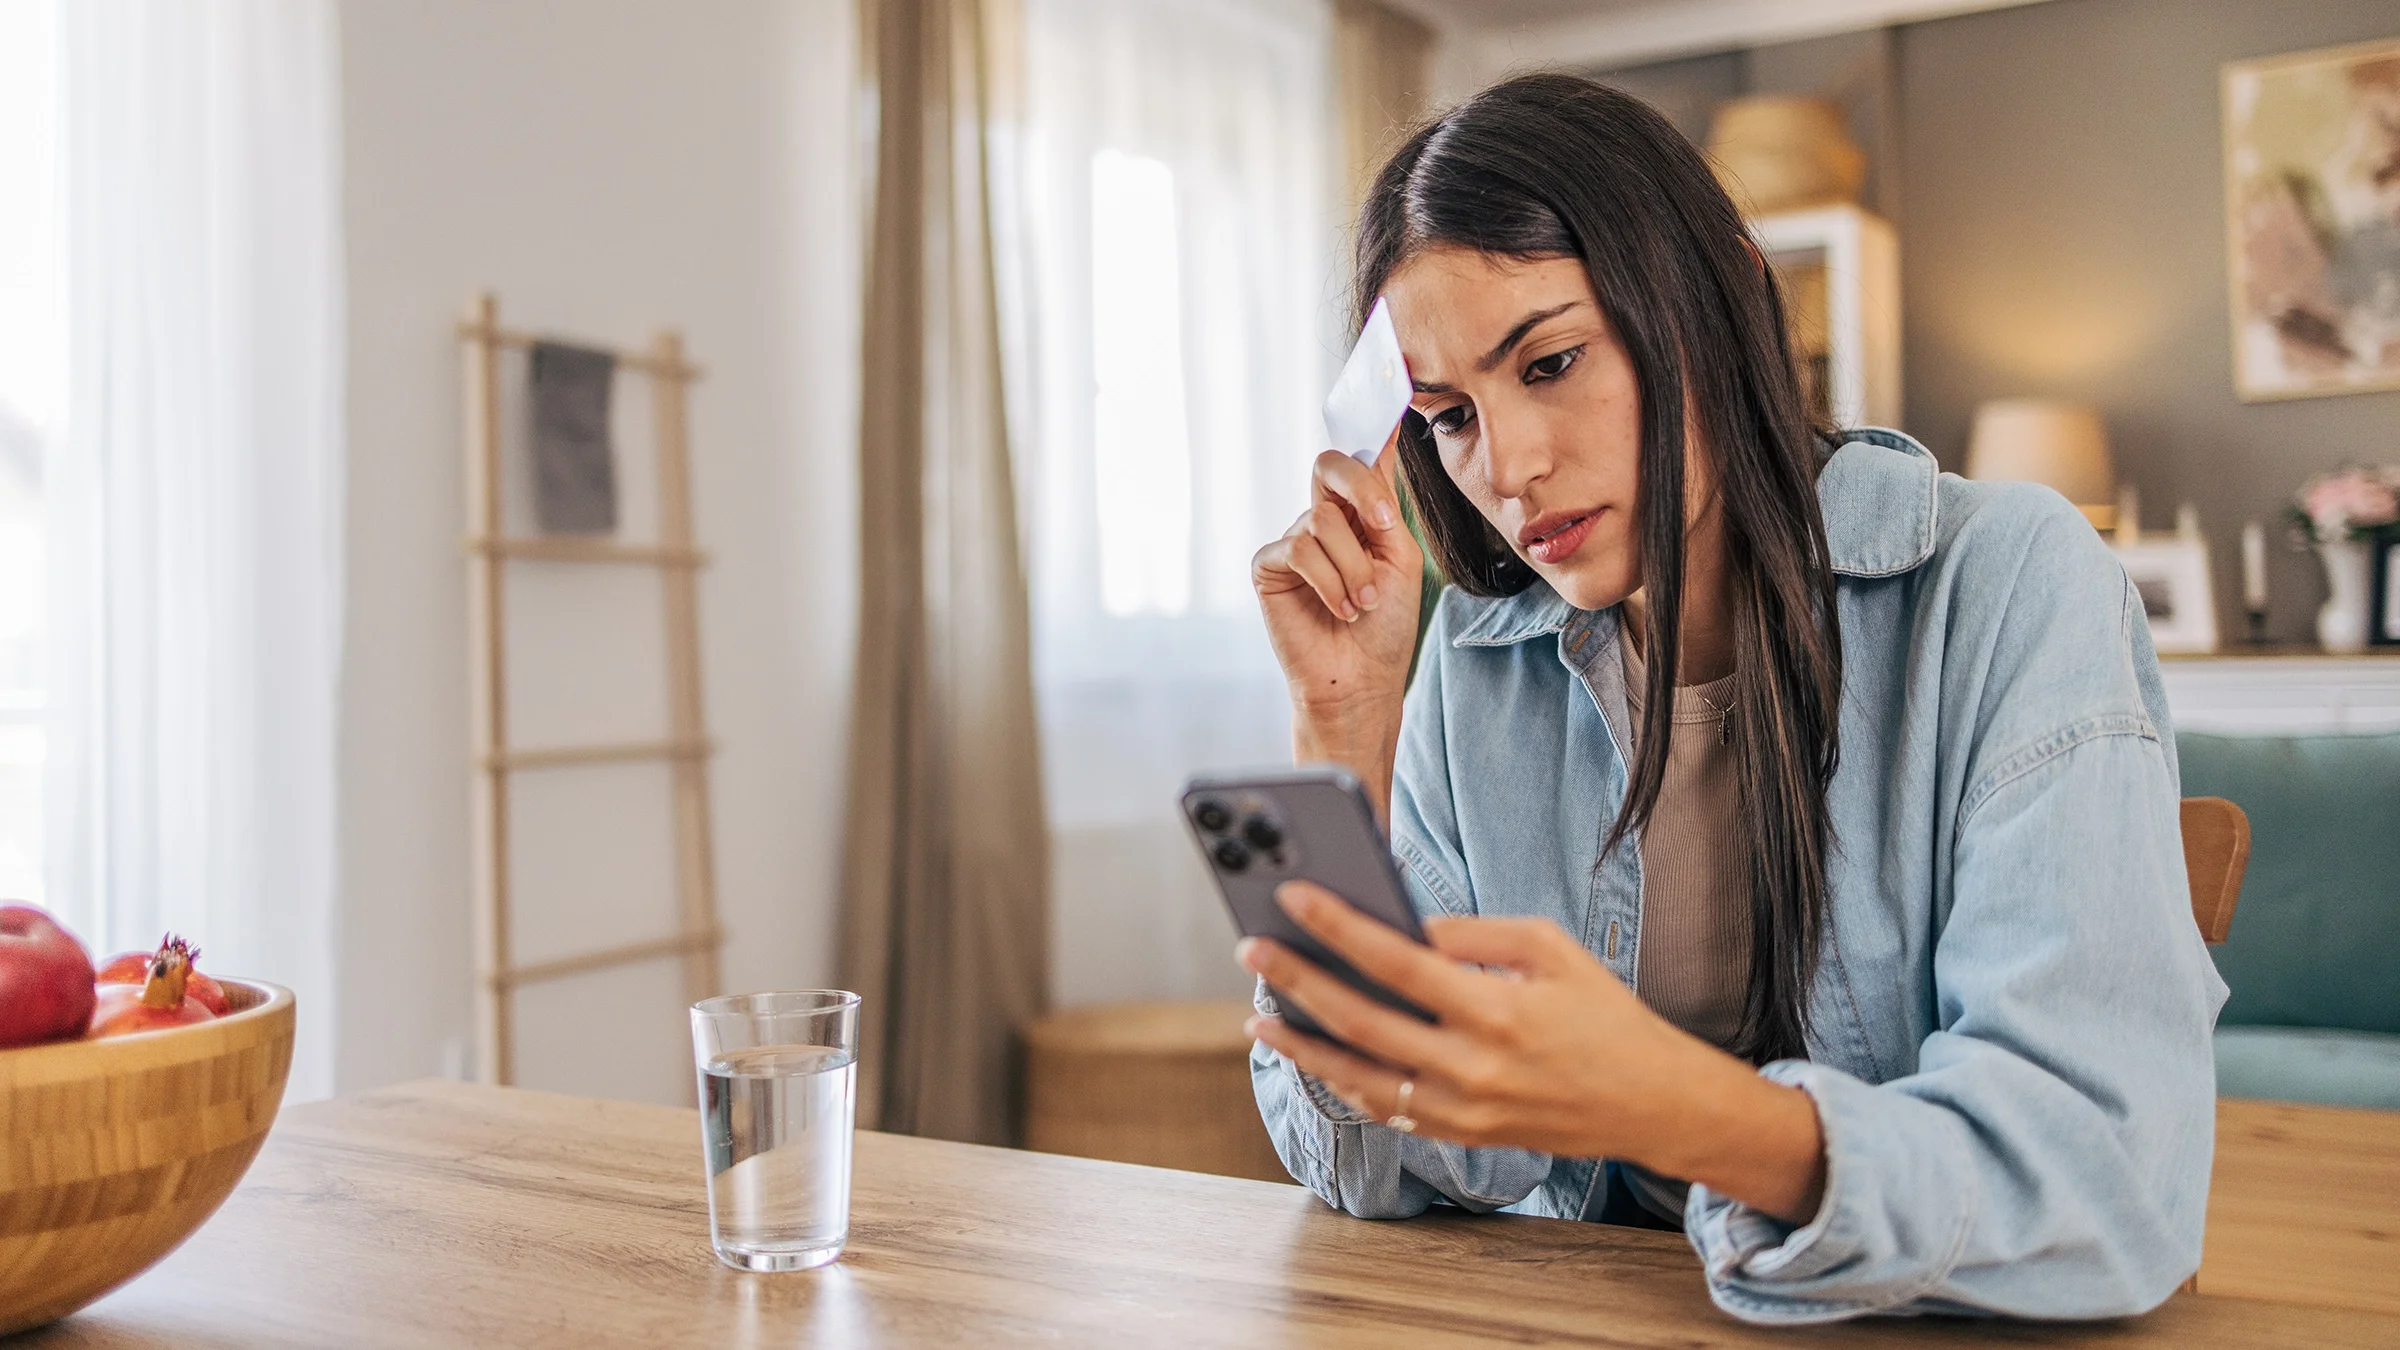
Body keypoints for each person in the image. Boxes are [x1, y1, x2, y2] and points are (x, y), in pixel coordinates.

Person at [1240, 72, 2224, 1325]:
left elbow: (2104, 1180)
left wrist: (1672, 1107)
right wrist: (1343, 736)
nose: (1509, 466)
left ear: (1725, 296)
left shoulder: (2011, 584)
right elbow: (1386, 1168)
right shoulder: (1473, 667)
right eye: (1447, 418)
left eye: (1551, 361)